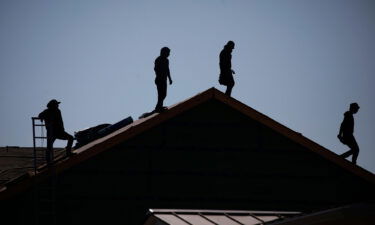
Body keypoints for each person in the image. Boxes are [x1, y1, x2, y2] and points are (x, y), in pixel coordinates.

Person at [39, 99, 74, 165]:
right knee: (49, 147)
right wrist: (41, 117)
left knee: (71, 138)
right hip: (52, 132)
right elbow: (40, 115)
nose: (58, 105)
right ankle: (48, 161)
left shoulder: (57, 111)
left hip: (59, 131)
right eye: (56, 104)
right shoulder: (47, 111)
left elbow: (60, 121)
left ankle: (68, 152)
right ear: (53, 105)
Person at [154, 47, 173, 112]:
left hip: (164, 79)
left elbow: (167, 70)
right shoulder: (158, 59)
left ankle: (159, 106)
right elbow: (156, 69)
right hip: (159, 80)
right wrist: (160, 75)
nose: (168, 54)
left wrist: (170, 78)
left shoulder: (166, 60)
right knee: (161, 94)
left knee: (164, 94)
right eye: (168, 53)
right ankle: (158, 107)